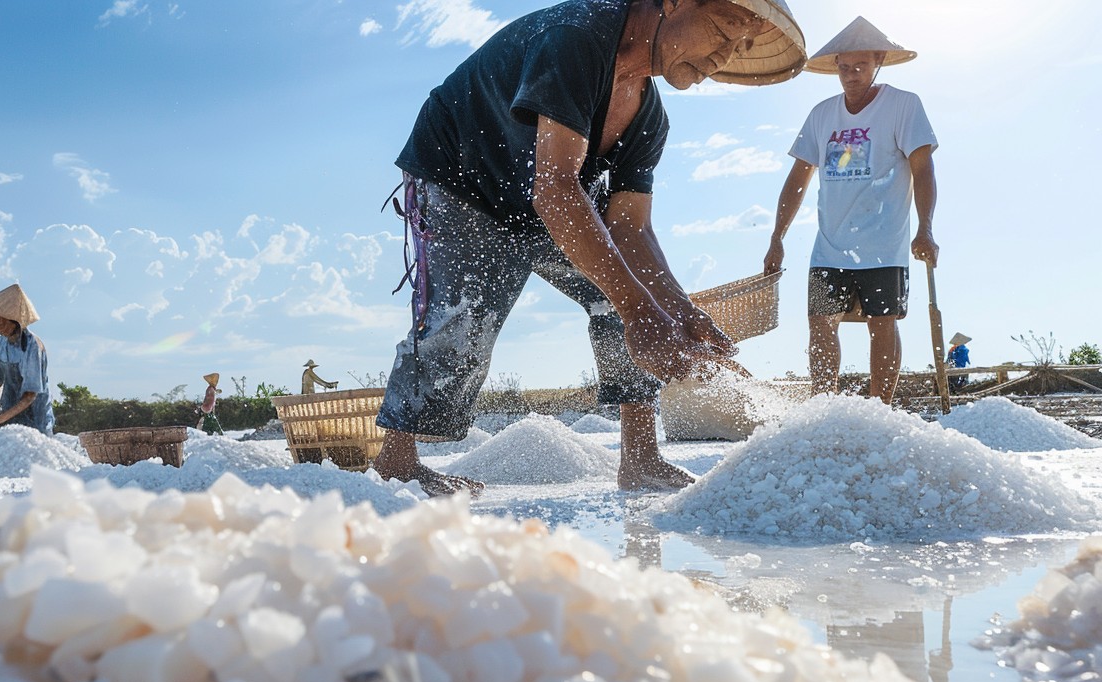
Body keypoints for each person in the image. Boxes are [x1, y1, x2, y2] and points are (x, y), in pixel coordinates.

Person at [374, 0, 807, 495]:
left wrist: (677, 309)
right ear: (675, 3)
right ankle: (398, 461)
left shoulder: (648, 118)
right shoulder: (576, 37)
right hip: (465, 177)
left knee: (631, 295)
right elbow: (554, 187)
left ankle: (641, 458)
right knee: (464, 316)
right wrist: (639, 309)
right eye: (722, 30)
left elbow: (632, 229)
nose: (722, 56)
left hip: (552, 190)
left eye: (738, 47)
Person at [763, 16, 939, 404]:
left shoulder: (903, 105)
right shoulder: (822, 114)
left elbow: (923, 170)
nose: (851, 75)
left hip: (884, 240)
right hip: (830, 244)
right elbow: (797, 179)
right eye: (844, 68)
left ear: (877, 62)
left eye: (860, 67)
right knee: (820, 323)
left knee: (883, 323)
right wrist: (777, 237)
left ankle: (879, 409)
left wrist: (924, 229)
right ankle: (825, 407)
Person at [0, 284, 54, 437]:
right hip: (9, 409)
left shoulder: (32, 346)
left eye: (2, 321)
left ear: (16, 322)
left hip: (36, 414)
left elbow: (30, 396)